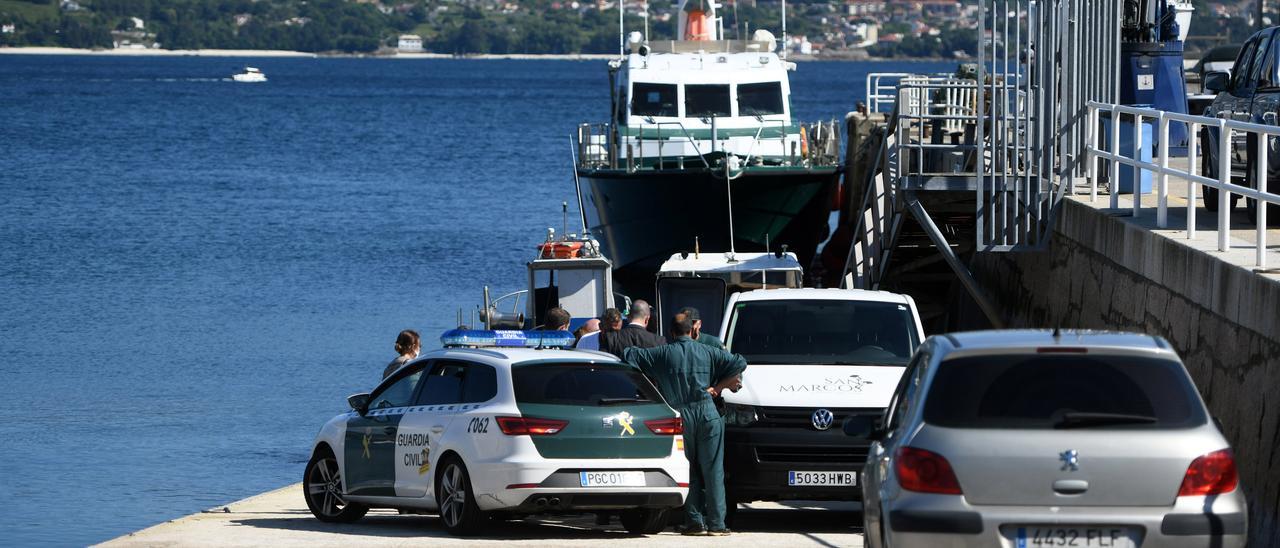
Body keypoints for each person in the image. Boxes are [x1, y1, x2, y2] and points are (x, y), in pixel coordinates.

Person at [623, 313, 747, 536]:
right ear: (692, 331)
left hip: (680, 416)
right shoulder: (707, 351)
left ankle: (694, 523)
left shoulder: (662, 353)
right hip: (708, 412)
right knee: (713, 470)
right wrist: (717, 387)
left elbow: (629, 355)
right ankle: (717, 524)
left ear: (671, 332)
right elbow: (739, 362)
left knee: (687, 470)